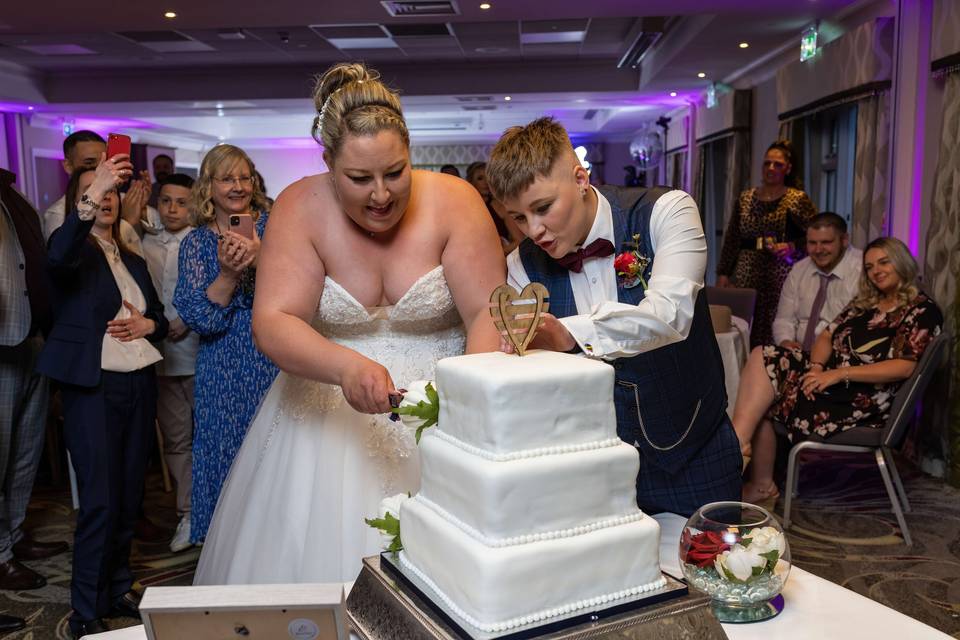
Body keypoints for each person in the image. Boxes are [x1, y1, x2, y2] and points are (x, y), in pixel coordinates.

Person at [194, 62, 503, 585]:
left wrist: (460, 406)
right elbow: (273, 320)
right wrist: (342, 366)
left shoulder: (457, 203)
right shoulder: (298, 205)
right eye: (359, 179)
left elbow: (487, 313)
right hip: (322, 421)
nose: (381, 195)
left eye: (395, 172)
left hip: (444, 413)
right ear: (328, 164)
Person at [488, 117, 741, 517]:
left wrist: (567, 334)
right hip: (590, 468)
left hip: (693, 454)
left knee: (714, 572)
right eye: (518, 218)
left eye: (542, 208)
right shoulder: (522, 264)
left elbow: (670, 317)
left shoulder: (667, 212)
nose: (533, 230)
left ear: (580, 178)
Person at [36, 158, 169, 639]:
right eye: (95, 190)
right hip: (92, 387)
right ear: (80, 202)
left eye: (112, 189)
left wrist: (148, 324)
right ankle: (84, 609)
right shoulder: (69, 249)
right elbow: (57, 258)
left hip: (137, 382)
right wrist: (94, 193)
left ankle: (116, 587)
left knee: (130, 492)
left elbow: (155, 312)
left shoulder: (132, 258)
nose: (107, 196)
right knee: (99, 500)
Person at [734, 237, 942, 503]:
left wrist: (837, 374)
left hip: (864, 400)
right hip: (832, 382)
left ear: (901, 261)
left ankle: (741, 458)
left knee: (765, 392)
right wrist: (817, 368)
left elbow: (903, 367)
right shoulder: (866, 303)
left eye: (883, 262)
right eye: (869, 266)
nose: (875, 270)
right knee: (763, 356)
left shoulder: (922, 310)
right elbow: (826, 336)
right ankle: (744, 453)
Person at [172, 145, 279, 545]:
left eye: (244, 177)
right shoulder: (196, 245)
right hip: (223, 366)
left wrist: (260, 258)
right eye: (226, 178)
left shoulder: (277, 230)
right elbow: (200, 318)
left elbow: (305, 291)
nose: (237, 186)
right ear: (209, 187)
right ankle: (229, 551)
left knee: (275, 451)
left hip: (275, 356)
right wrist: (230, 275)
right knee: (225, 451)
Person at [0, 169, 68, 634]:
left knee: (24, 456)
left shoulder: (13, 197)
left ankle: (12, 538)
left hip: (32, 340)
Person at [142, 173, 199, 553]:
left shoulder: (202, 241)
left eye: (181, 202)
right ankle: (186, 512)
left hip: (199, 352)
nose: (173, 209)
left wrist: (186, 321)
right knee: (176, 439)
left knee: (207, 433)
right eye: (166, 201)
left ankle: (217, 510)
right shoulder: (142, 241)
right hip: (160, 355)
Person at [716, 140, 817, 348]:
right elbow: (733, 237)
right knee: (743, 322)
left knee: (775, 324)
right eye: (767, 163)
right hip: (747, 269)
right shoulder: (745, 198)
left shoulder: (796, 199)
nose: (771, 168)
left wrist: (793, 246)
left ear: (787, 168)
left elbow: (815, 233)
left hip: (780, 271)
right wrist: (724, 272)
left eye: (777, 164)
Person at [42, 131, 147, 254]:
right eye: (89, 163)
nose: (101, 169)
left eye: (104, 162)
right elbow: (63, 258)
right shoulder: (58, 214)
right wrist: (127, 223)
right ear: (68, 166)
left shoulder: (119, 198)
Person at [773, 212, 862, 352]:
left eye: (826, 242)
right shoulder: (799, 270)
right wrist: (785, 341)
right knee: (757, 356)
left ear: (844, 240)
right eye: (812, 243)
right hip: (798, 353)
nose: (818, 250)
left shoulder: (863, 270)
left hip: (842, 356)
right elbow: (784, 319)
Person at [466, 161, 523, 254]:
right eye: (480, 178)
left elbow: (520, 241)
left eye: (488, 178)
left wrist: (496, 254)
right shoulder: (466, 208)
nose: (486, 182)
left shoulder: (500, 206)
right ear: (471, 183)